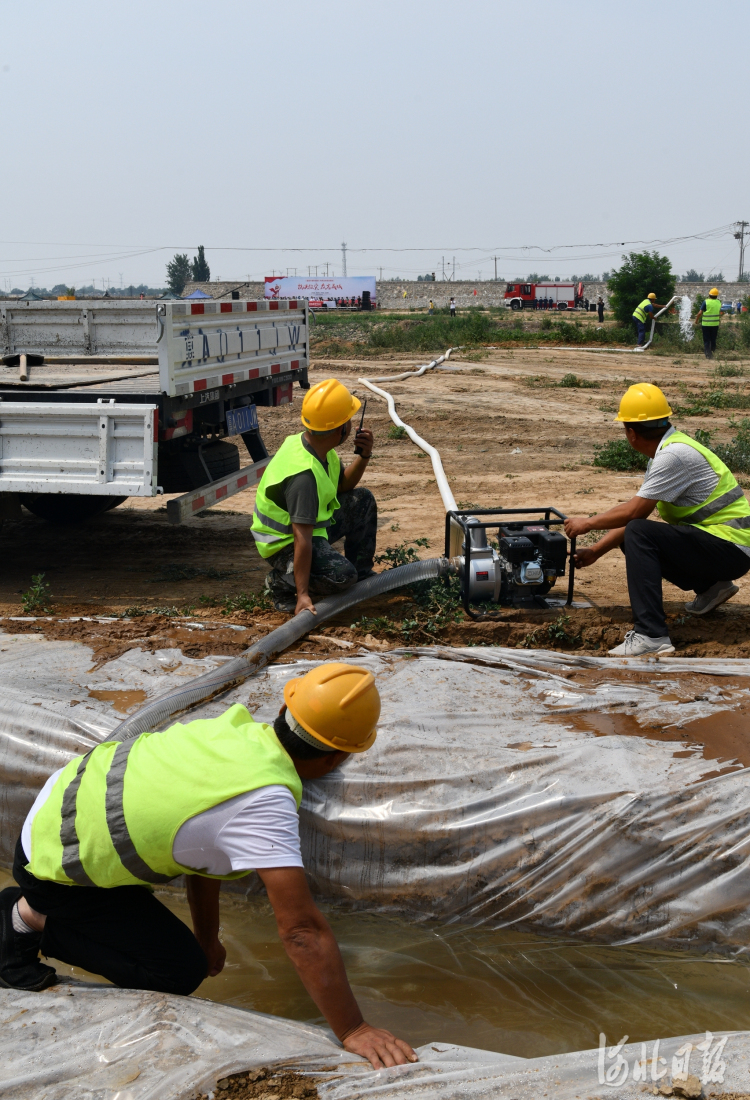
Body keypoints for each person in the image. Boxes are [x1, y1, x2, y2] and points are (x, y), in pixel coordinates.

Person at [1, 664, 418, 1071]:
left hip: (56, 817)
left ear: (282, 712)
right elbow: (301, 931)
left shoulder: (232, 730)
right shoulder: (264, 801)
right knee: (177, 972)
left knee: (190, 955)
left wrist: (207, 936)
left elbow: (205, 853)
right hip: (55, 868)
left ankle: (36, 908)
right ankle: (26, 917)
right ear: (336, 758)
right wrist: (353, 1028)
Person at [564, 383, 750, 657]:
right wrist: (595, 551)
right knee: (637, 534)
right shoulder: (670, 450)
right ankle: (712, 588)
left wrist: (587, 523)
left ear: (631, 433)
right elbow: (635, 515)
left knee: (639, 532)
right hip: (728, 547)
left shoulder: (672, 456)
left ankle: (651, 635)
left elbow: (633, 514)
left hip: (730, 548)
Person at [251, 378, 376, 614]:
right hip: (284, 542)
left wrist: (364, 456)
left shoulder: (318, 447)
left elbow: (343, 485)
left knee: (363, 500)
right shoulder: (303, 476)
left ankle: (363, 574)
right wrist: (303, 595)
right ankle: (280, 582)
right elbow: (302, 539)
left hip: (311, 528)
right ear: (341, 429)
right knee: (341, 576)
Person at [693, 287, 725, 360]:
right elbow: (719, 311)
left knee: (707, 340)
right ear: (717, 295)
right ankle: (713, 353)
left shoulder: (706, 302)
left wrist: (696, 320)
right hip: (715, 324)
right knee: (713, 339)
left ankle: (708, 355)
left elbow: (700, 313)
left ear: (709, 295)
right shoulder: (718, 302)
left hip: (706, 324)